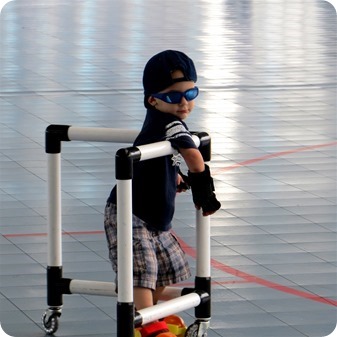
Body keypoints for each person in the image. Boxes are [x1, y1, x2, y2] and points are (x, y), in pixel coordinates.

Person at [104, 50, 221, 337]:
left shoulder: (160, 121)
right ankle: (148, 325)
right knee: (141, 270)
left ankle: (152, 314)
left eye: (190, 93)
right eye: (173, 96)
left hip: (155, 216)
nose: (184, 102)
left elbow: (162, 157)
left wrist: (175, 178)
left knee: (167, 267)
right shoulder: (171, 124)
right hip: (131, 212)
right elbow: (193, 155)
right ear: (153, 100)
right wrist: (204, 191)